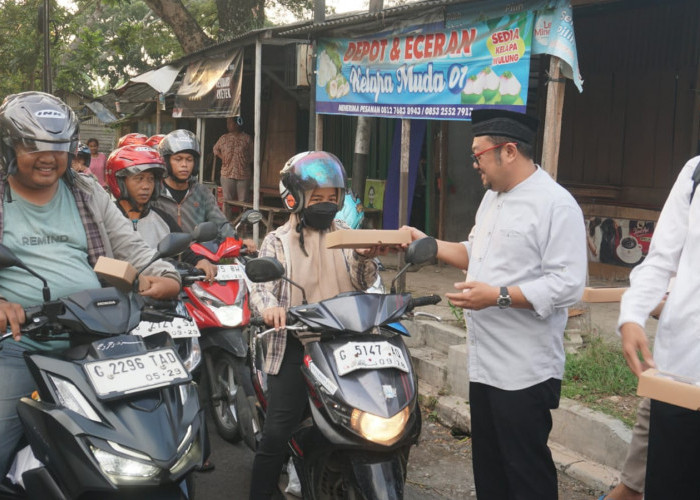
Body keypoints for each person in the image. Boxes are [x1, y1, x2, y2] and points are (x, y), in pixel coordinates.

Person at [402, 109, 587, 499]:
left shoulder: (556, 204)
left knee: (526, 475)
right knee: (490, 473)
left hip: (524, 371)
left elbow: (568, 285)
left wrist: (498, 296)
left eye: (478, 154)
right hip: (484, 365)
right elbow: (478, 253)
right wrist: (429, 243)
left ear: (508, 151)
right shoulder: (491, 200)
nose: (474, 164)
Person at [0, 91, 181, 478]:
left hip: (98, 341)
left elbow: (129, 246)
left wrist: (165, 276)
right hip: (20, 348)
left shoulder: (84, 189)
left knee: (153, 437)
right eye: (33, 145)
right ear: (9, 145)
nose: (49, 157)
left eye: (59, 146)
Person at [247, 151, 384, 499]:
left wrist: (367, 257)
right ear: (294, 197)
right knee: (277, 431)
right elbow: (262, 289)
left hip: (346, 344)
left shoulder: (348, 235)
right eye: (316, 198)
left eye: (331, 198)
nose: (325, 204)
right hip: (299, 342)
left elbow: (365, 282)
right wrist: (272, 309)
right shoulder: (278, 240)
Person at [618, 154, 700, 499]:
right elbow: (661, 259)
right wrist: (632, 315)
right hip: (679, 373)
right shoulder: (695, 171)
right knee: (670, 486)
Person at [105, 144, 218, 281]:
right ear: (120, 182)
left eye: (151, 179)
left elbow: (183, 249)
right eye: (139, 178)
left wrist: (200, 261)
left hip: (161, 289)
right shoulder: (107, 218)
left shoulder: (162, 218)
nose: (146, 186)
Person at [152, 129, 255, 250]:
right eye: (178, 159)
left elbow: (219, 223)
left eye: (189, 160)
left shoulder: (201, 192)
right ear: (167, 162)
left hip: (197, 256)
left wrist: (237, 241)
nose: (184, 164)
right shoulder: (155, 192)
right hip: (162, 256)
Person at [213, 117, 253, 219]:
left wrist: (244, 162)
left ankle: (242, 225)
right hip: (227, 173)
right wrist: (223, 157)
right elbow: (215, 149)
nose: (228, 125)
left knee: (243, 202)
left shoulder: (247, 138)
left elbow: (253, 155)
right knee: (227, 201)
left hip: (243, 174)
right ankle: (227, 224)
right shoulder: (224, 138)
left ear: (237, 124)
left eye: (229, 123)